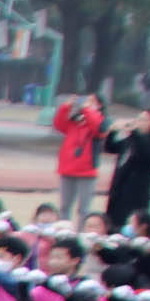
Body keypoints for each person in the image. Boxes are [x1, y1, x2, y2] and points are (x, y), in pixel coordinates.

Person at [105, 105, 150, 229]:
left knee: (132, 225)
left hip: (137, 193)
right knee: (113, 224)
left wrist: (134, 132)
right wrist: (112, 131)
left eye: (144, 119)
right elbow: (110, 147)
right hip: (119, 190)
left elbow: (148, 155)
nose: (139, 122)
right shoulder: (130, 140)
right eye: (139, 118)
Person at [54, 92, 105, 223]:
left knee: (83, 209)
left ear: (99, 105)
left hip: (87, 171)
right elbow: (59, 124)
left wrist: (87, 109)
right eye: (87, 100)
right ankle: (63, 230)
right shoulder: (74, 122)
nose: (87, 103)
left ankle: (82, 232)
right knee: (64, 206)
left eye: (92, 101)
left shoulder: (100, 120)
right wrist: (66, 107)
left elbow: (97, 127)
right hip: (67, 168)